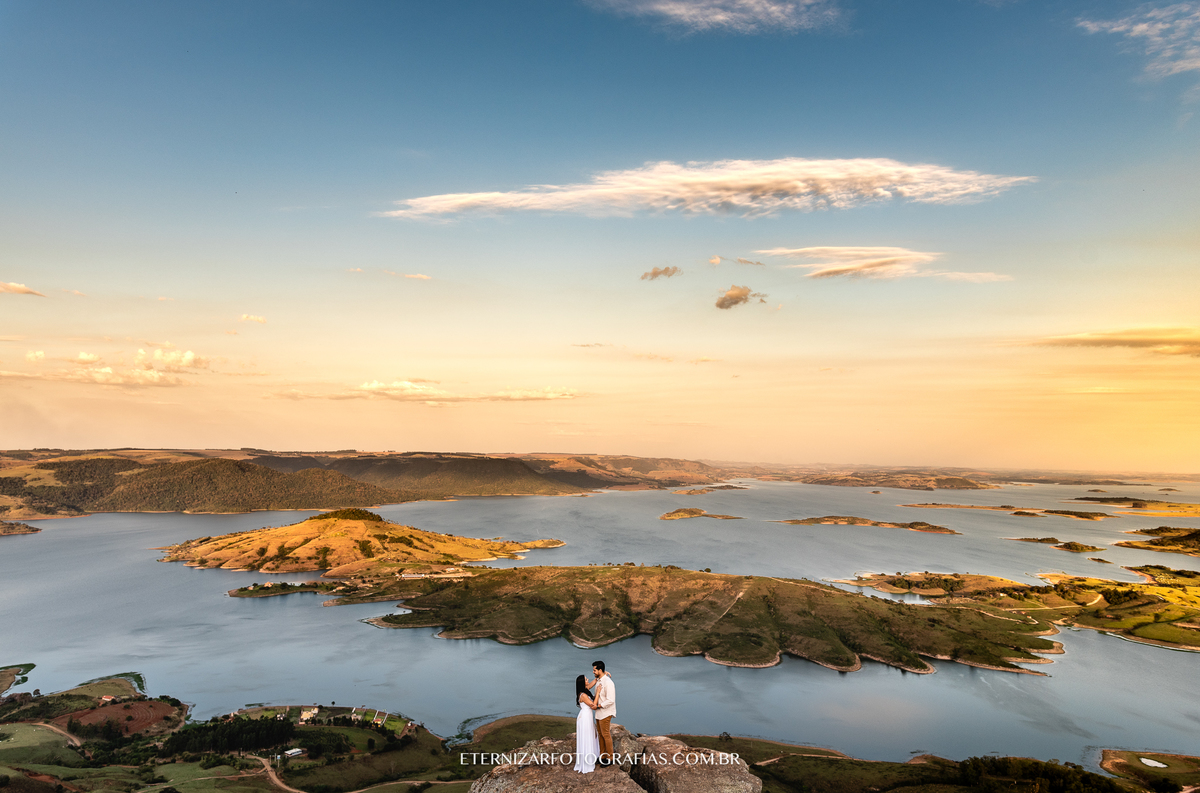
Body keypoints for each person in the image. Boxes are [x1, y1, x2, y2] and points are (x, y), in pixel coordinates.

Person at [587, 660, 616, 766]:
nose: (593, 672)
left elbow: (610, 700)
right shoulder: (599, 681)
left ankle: (610, 758)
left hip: (605, 712)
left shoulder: (608, 683)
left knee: (606, 734)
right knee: (600, 734)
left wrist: (598, 706)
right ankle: (602, 756)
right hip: (599, 713)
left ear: (600, 670)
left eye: (595, 670)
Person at [573, 675, 601, 773]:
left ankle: (592, 757)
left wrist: (599, 676)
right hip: (585, 718)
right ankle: (587, 762)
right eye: (586, 679)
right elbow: (593, 706)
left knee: (592, 735)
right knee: (587, 737)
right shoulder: (583, 695)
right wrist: (597, 693)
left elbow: (590, 685)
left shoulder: (584, 690)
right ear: (582, 682)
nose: (588, 680)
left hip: (587, 717)